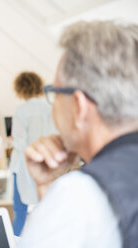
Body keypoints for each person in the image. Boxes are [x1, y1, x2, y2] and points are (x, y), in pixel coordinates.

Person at [18, 21, 138, 247]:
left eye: (54, 93)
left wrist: (54, 196)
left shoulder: (79, 194)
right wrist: (48, 190)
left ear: (79, 105)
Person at [9, 72, 57, 236]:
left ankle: (15, 242)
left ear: (20, 89)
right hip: (47, 163)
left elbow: (19, 141)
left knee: (20, 210)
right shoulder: (49, 109)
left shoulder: (21, 110)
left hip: (23, 164)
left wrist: (11, 141)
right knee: (48, 206)